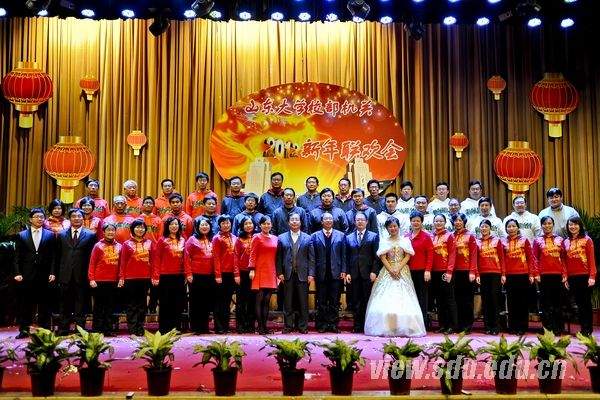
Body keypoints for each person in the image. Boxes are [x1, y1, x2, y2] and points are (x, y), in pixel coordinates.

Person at [364, 217, 426, 337]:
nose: (393, 228)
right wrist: (391, 270)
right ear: (387, 229)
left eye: (394, 226)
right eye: (390, 227)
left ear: (398, 227)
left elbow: (407, 256)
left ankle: (405, 327)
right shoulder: (384, 241)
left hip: (402, 271)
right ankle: (386, 327)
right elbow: (383, 258)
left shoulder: (405, 241)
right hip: (387, 271)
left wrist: (398, 269)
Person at [13, 208, 56, 338]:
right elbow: (17, 256)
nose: (39, 219)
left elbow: (53, 256)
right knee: (25, 304)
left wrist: (52, 272)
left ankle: (45, 330)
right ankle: (24, 330)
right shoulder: (21, 235)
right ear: (30, 219)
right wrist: (17, 273)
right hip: (26, 275)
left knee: (44, 304)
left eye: (42, 217)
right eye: (36, 216)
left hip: (44, 275)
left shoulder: (50, 235)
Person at [55, 208, 97, 335]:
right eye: (74, 216)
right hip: (65, 274)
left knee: (81, 303)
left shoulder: (90, 235)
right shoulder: (61, 235)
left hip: (82, 275)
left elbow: (92, 258)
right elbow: (57, 256)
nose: (76, 218)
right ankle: (63, 328)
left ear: (83, 219)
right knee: (64, 303)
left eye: (79, 216)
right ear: (70, 219)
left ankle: (80, 329)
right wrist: (56, 274)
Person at [276, 213, 315, 334]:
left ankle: (303, 327)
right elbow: (278, 257)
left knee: (303, 302)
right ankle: (288, 326)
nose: (294, 222)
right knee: (288, 302)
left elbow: (311, 258)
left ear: (300, 222)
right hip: (287, 275)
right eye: (292, 220)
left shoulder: (308, 238)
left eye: (296, 220)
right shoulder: (281, 237)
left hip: (303, 274)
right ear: (288, 222)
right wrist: (279, 273)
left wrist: (311, 274)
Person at [345, 212, 380, 333]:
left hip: (368, 273)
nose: (360, 222)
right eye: (357, 220)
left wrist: (374, 271)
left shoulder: (373, 236)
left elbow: (377, 256)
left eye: (362, 220)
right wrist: (347, 272)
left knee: (367, 300)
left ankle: (367, 325)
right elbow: (346, 257)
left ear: (366, 222)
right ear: (354, 222)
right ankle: (357, 325)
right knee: (356, 301)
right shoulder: (348, 237)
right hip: (354, 273)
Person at [312, 212, 347, 333]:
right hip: (320, 273)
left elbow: (344, 255)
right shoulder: (314, 236)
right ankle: (322, 324)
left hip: (336, 273)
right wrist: (312, 272)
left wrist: (344, 270)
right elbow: (312, 257)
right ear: (322, 222)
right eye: (325, 218)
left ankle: (333, 324)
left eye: (330, 218)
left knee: (334, 301)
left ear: (333, 221)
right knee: (321, 301)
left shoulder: (341, 235)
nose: (328, 220)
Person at [502, 219, 538, 335]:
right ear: (506, 229)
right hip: (509, 276)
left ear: (518, 228)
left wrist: (531, 274)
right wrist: (503, 274)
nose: (511, 228)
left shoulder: (524, 240)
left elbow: (530, 258)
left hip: (523, 274)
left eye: (513, 226)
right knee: (511, 302)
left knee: (522, 302)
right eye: (509, 226)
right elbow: (502, 260)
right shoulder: (503, 242)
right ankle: (513, 326)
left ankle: (522, 327)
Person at [118, 219, 154, 335]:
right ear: (133, 229)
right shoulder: (126, 244)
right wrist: (121, 277)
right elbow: (123, 262)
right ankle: (132, 329)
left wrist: (153, 276)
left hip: (145, 278)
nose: (140, 229)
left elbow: (153, 261)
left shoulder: (149, 243)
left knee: (142, 304)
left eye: (142, 227)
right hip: (130, 279)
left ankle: (140, 328)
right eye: (137, 227)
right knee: (131, 305)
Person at [533, 216, 568, 335]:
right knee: (545, 304)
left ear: (553, 225)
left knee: (558, 303)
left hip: (558, 275)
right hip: (543, 276)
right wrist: (536, 273)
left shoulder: (560, 240)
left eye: (549, 223)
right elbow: (535, 258)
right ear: (541, 226)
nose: (547, 226)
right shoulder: (537, 240)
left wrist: (564, 273)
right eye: (544, 224)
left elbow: (564, 258)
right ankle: (547, 329)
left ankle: (558, 328)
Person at [563, 216, 596, 336]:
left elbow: (591, 259)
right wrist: (565, 276)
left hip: (585, 276)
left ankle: (587, 329)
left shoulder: (587, 240)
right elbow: (564, 261)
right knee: (578, 304)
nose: (573, 227)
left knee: (585, 304)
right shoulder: (565, 242)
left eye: (575, 224)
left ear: (580, 226)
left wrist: (592, 276)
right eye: (570, 224)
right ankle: (583, 328)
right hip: (572, 277)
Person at [153, 217, 186, 333]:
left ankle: (176, 328)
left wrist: (185, 274)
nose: (174, 226)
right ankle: (164, 329)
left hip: (179, 275)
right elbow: (157, 258)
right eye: (171, 224)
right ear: (167, 226)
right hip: (165, 276)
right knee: (165, 303)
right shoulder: (162, 240)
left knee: (177, 303)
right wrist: (156, 276)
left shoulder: (183, 240)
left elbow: (185, 258)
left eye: (176, 224)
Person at [88, 223, 121, 336]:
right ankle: (97, 329)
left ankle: (108, 329)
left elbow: (121, 265)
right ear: (103, 232)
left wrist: (120, 278)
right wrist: (91, 279)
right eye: (108, 230)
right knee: (99, 307)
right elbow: (92, 263)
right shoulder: (98, 246)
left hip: (114, 281)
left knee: (110, 307)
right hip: (99, 281)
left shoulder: (120, 246)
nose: (111, 232)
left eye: (113, 230)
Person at [473, 219, 505, 335]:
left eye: (486, 226)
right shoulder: (476, 242)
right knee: (485, 301)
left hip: (495, 273)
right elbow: (475, 260)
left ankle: (496, 326)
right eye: (482, 227)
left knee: (494, 300)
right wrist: (477, 274)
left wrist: (503, 274)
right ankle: (487, 326)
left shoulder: (497, 241)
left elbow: (501, 258)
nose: (484, 228)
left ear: (490, 228)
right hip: (482, 274)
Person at [184, 217, 215, 334]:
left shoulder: (212, 239)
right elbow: (187, 257)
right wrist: (188, 274)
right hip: (196, 275)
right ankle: (195, 327)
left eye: (207, 225)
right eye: (202, 225)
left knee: (206, 302)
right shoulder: (192, 240)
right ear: (197, 227)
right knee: (195, 302)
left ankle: (204, 327)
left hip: (209, 275)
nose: (205, 227)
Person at [249, 215, 278, 334]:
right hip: (259, 270)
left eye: (268, 223)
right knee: (259, 299)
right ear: (260, 225)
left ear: (271, 225)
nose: (266, 225)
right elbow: (252, 254)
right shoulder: (256, 237)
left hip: (271, 271)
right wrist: (252, 269)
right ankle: (260, 327)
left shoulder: (275, 238)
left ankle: (265, 326)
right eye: (264, 224)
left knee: (267, 300)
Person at [449, 212, 477, 333]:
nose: (458, 223)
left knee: (467, 300)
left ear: (464, 222)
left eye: (460, 220)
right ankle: (458, 324)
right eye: (455, 220)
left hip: (466, 271)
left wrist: (472, 271)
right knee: (457, 299)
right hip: (454, 271)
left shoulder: (470, 236)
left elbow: (474, 254)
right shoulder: (451, 235)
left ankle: (467, 325)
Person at [430, 214, 458, 334]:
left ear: (445, 222)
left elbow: (452, 254)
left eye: (441, 221)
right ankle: (442, 324)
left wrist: (449, 271)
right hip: (434, 271)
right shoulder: (431, 236)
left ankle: (452, 326)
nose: (439, 223)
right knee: (439, 300)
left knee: (449, 299)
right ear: (433, 223)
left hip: (446, 271)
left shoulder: (449, 235)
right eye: (436, 221)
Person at [212, 214, 240, 334]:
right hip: (221, 273)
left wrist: (236, 273)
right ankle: (219, 327)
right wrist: (218, 275)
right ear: (219, 225)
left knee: (227, 300)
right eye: (223, 223)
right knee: (219, 301)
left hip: (231, 274)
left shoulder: (235, 238)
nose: (226, 225)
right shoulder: (217, 238)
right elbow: (216, 257)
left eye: (228, 222)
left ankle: (225, 325)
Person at [406, 211, 434, 329]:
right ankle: (411, 323)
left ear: (422, 222)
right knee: (411, 297)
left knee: (423, 298)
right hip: (408, 272)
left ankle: (422, 323)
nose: (416, 223)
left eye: (418, 221)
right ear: (410, 222)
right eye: (414, 220)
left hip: (422, 272)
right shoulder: (406, 237)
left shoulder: (426, 236)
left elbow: (430, 254)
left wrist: (428, 270)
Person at [233, 216, 257, 333]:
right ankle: (241, 326)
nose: (248, 226)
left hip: (255, 273)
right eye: (246, 224)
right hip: (242, 272)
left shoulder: (257, 237)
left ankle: (250, 325)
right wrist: (236, 274)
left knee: (252, 300)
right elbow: (235, 257)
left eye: (250, 223)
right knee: (241, 301)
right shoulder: (239, 239)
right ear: (242, 226)